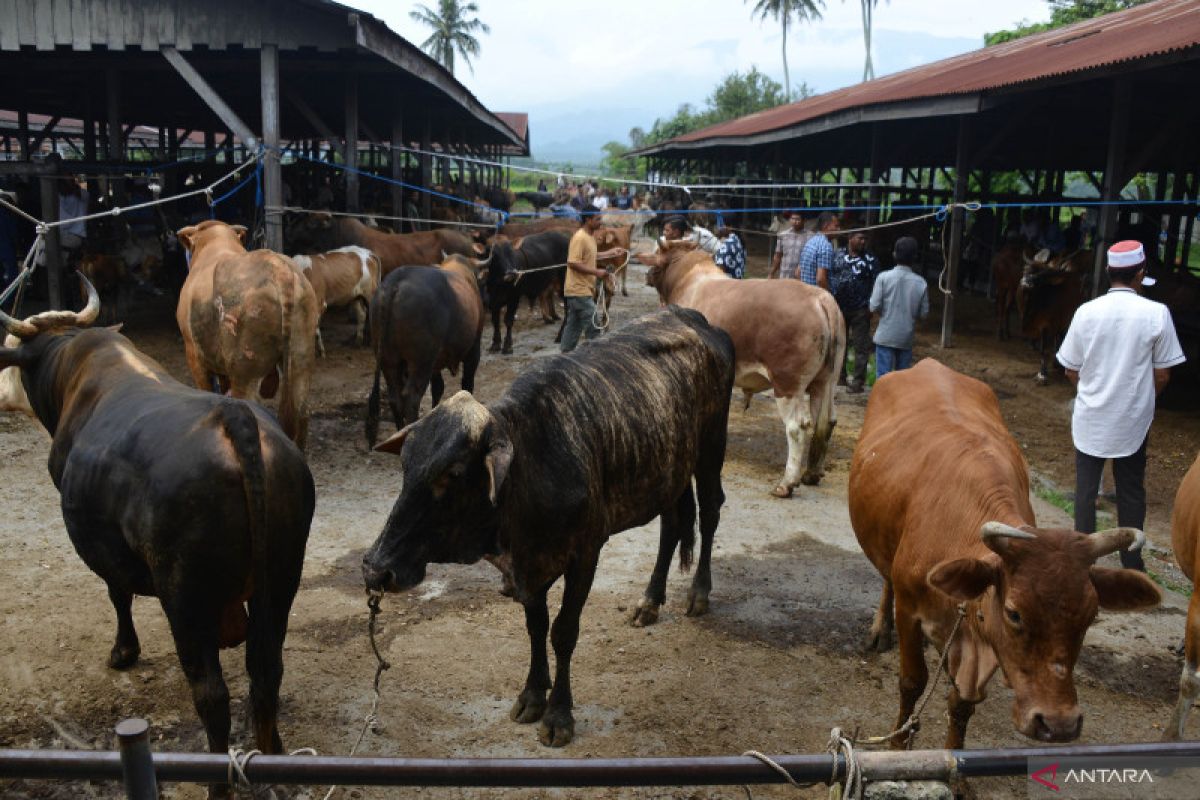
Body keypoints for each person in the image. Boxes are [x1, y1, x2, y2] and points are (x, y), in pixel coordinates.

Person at [1055, 240, 1185, 570]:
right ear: (1140, 274)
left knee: (1085, 492)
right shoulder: (1157, 314)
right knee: (1130, 491)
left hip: (1091, 415)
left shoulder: (1086, 312)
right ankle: (1132, 562)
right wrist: (1142, 401)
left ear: (1109, 272)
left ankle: (1083, 561)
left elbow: (1070, 368)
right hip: (1133, 418)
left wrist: (1088, 390)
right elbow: (1164, 375)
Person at [561, 204, 625, 353]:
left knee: (574, 325)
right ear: (588, 220)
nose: (600, 222)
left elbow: (591, 256)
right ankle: (595, 356)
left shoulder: (590, 237)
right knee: (594, 324)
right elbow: (572, 262)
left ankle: (565, 353)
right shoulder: (580, 238)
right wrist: (596, 272)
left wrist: (610, 252)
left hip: (583, 289)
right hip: (578, 290)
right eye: (597, 219)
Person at [869, 236, 929, 380]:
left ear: (894, 254)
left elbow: (873, 306)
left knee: (883, 378)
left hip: (885, 335)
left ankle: (883, 402)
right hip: (906, 338)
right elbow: (924, 314)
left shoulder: (883, 277)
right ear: (915, 257)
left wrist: (884, 312)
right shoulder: (921, 283)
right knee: (903, 381)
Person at [830, 230, 878, 392]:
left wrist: (871, 305)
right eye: (860, 238)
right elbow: (829, 275)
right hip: (839, 307)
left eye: (865, 239)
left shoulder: (871, 259)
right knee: (839, 344)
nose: (863, 242)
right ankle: (840, 377)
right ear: (850, 238)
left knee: (860, 346)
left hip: (860, 309)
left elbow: (876, 283)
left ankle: (858, 381)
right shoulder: (836, 255)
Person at [799, 211, 839, 289]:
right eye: (836, 226)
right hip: (817, 297)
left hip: (806, 294)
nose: (839, 229)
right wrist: (828, 296)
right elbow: (821, 279)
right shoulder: (825, 246)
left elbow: (798, 272)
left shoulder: (811, 241)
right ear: (826, 226)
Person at [769, 211, 813, 280]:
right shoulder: (783, 235)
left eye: (797, 219)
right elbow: (778, 256)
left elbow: (811, 258)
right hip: (784, 275)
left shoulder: (810, 237)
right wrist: (771, 274)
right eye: (792, 219)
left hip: (801, 277)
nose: (794, 222)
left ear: (804, 221)